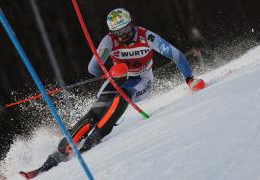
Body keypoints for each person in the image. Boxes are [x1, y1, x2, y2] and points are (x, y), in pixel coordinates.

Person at [20, 8, 205, 179]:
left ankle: (95, 139)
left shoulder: (146, 36)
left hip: (142, 82)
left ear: (131, 24)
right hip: (118, 77)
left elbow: (176, 55)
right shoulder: (109, 41)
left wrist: (189, 79)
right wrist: (111, 71)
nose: (123, 36)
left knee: (123, 94)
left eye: (125, 30)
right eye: (118, 32)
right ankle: (52, 160)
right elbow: (93, 68)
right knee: (94, 114)